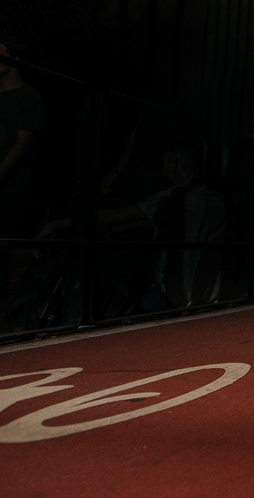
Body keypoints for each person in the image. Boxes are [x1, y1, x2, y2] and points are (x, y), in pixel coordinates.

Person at [39, 141, 226, 311]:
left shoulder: (173, 197)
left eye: (163, 164)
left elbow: (110, 217)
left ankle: (72, 314)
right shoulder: (215, 200)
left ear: (173, 164)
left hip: (168, 301)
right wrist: (117, 230)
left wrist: (55, 224)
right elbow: (152, 223)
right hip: (208, 300)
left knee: (94, 243)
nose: (161, 170)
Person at [0, 38, 45, 309]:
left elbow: (22, 142)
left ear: (14, 61)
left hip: (9, 186)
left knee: (3, 247)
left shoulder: (29, 97)